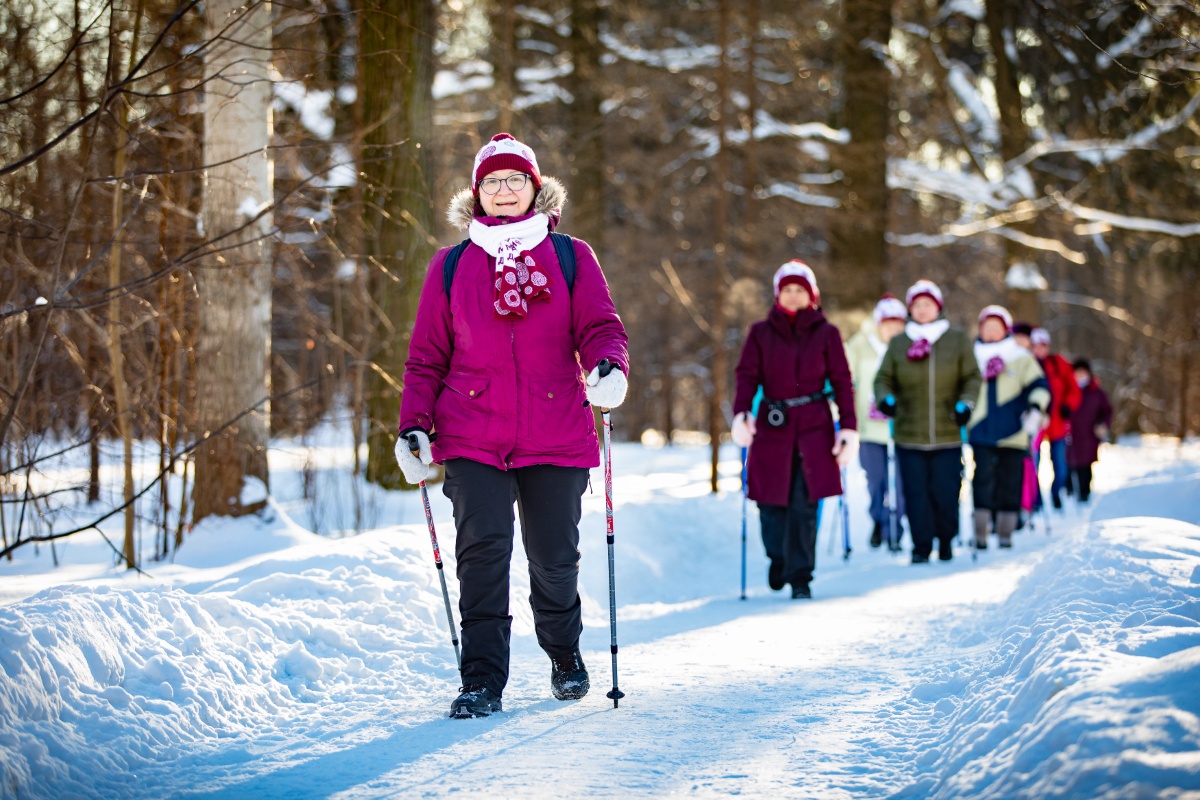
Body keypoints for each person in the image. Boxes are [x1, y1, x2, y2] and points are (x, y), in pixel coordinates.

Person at [394, 133, 629, 719]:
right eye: (492, 182)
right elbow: (426, 356)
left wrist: (608, 368)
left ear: (534, 186)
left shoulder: (570, 255)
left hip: (555, 428)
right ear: (477, 194)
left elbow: (601, 326)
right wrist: (413, 426)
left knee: (554, 557)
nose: (504, 191)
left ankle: (563, 654)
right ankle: (482, 680)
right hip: (471, 430)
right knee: (482, 553)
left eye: (515, 180)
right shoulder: (451, 265)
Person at [731, 261, 857, 599]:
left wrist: (848, 428)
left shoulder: (827, 333)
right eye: (787, 289)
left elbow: (843, 383)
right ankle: (778, 557)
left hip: (815, 427)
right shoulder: (760, 332)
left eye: (800, 289)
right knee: (770, 503)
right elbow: (746, 375)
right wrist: (742, 412)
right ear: (778, 295)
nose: (793, 295)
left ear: (811, 296)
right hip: (773, 425)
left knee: (804, 504)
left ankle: (801, 575)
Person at [873, 279, 981, 563]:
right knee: (915, 493)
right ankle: (921, 545)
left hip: (948, 433)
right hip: (909, 433)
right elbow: (883, 378)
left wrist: (965, 403)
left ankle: (945, 540)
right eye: (917, 305)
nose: (922, 310)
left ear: (938, 307)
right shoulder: (899, 342)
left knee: (945, 492)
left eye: (927, 305)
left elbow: (972, 376)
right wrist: (886, 399)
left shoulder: (956, 339)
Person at [965, 306, 1049, 549]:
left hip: (1013, 431)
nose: (991, 331)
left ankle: (1005, 532)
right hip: (980, 430)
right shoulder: (970, 357)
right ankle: (980, 532)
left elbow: (1039, 386)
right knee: (981, 479)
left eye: (996, 326)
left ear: (1005, 329)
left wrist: (1035, 408)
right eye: (986, 326)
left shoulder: (1021, 357)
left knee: (1010, 481)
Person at [845, 294, 908, 549]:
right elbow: (845, 374)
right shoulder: (860, 344)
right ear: (878, 322)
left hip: (902, 428)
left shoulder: (909, 344)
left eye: (898, 322)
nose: (892, 328)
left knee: (902, 483)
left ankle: (896, 527)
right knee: (876, 480)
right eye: (888, 322)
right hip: (870, 429)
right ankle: (879, 521)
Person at [1030, 327, 1081, 509]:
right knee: (1033, 464)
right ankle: (1036, 500)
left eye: (1042, 346)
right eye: (1035, 346)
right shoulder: (1027, 364)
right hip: (1035, 424)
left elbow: (1073, 389)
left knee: (1060, 465)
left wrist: (1068, 405)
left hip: (1058, 424)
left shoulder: (1058, 364)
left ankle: (1055, 493)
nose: (1039, 350)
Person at [1066, 358, 1113, 503]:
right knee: (1069, 462)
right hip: (1070, 433)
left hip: (1089, 434)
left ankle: (1085, 493)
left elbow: (1107, 411)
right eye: (1077, 372)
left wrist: (1102, 425)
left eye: (1083, 372)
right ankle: (1069, 491)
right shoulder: (1068, 389)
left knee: (1086, 465)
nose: (1080, 376)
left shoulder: (1096, 392)